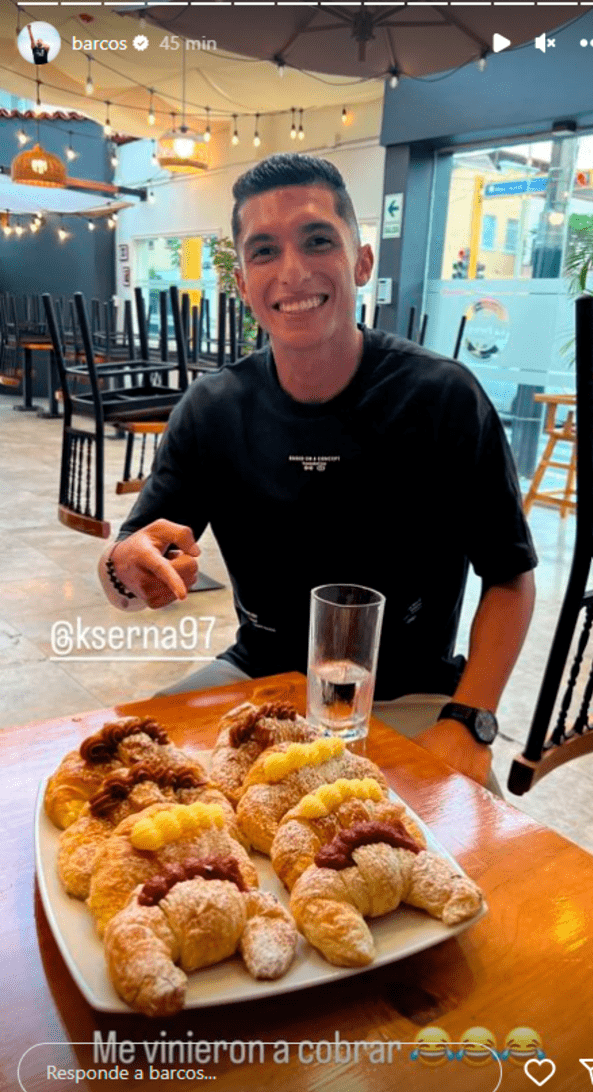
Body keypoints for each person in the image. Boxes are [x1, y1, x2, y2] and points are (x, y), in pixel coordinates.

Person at [99, 153, 536, 788]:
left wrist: (470, 722)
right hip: (258, 680)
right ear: (244, 284)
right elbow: (130, 570)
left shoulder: (443, 399)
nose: (294, 271)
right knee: (126, 780)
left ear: (361, 261)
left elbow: (510, 579)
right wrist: (122, 567)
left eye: (318, 240)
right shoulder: (214, 409)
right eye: (264, 251)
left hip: (408, 697)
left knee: (473, 868)